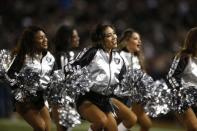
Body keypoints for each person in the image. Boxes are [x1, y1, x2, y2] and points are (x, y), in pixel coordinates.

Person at [72, 24, 129, 131]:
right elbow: (74, 67)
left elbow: (124, 81)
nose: (114, 37)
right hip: (88, 98)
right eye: (109, 35)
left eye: (114, 34)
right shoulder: (93, 53)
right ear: (101, 39)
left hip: (105, 100)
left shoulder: (119, 59)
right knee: (101, 121)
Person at [6, 26, 55, 131]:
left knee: (47, 129)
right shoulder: (22, 56)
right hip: (25, 98)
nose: (45, 40)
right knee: (40, 127)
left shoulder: (50, 57)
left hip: (41, 97)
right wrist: (19, 91)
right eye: (41, 38)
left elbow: (54, 77)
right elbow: (9, 75)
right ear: (32, 41)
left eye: (45, 37)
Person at [116, 28, 152, 131]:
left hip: (135, 98)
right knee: (131, 122)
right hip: (123, 98)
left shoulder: (137, 58)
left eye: (139, 39)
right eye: (136, 39)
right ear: (127, 41)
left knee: (146, 124)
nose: (139, 41)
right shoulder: (119, 56)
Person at [166, 27, 197, 131]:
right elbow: (171, 76)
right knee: (193, 127)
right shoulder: (183, 56)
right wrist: (181, 92)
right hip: (182, 97)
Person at [51, 25, 81, 131]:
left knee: (67, 129)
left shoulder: (69, 55)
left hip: (68, 97)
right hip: (60, 98)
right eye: (74, 36)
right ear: (67, 39)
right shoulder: (61, 56)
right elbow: (61, 79)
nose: (78, 38)